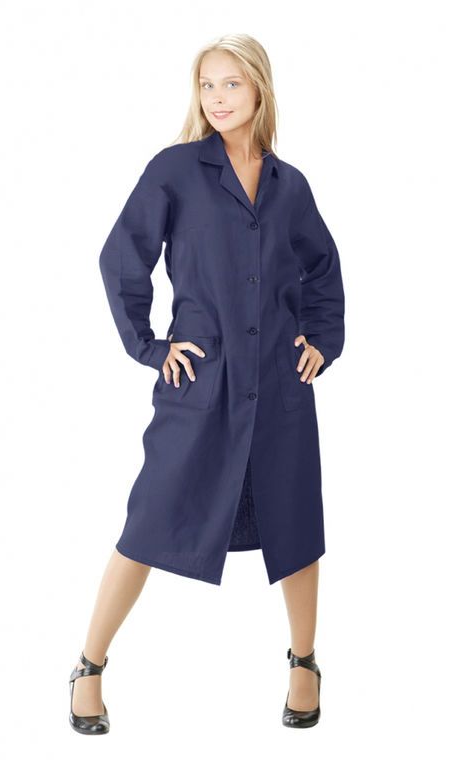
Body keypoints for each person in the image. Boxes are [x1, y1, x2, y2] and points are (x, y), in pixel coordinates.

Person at [68, 33, 345, 734]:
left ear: (260, 89)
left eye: (231, 84)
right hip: (201, 385)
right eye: (207, 85)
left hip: (279, 386)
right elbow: (120, 258)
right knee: (147, 522)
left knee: (296, 526)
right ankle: (89, 666)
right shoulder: (176, 171)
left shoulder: (289, 186)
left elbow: (323, 268)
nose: (217, 98)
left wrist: (322, 340)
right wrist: (151, 345)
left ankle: (305, 664)